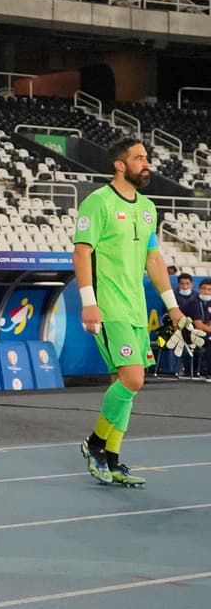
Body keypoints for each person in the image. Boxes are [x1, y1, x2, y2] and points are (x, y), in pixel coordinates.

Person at [73, 137, 199, 487]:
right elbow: (82, 253)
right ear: (119, 164)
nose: (147, 164)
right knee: (133, 378)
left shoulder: (147, 207)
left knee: (124, 385)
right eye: (139, 158)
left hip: (136, 308)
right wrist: (88, 301)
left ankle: (112, 460)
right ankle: (95, 444)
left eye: (147, 158)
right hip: (108, 305)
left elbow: (154, 259)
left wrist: (173, 309)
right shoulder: (97, 203)